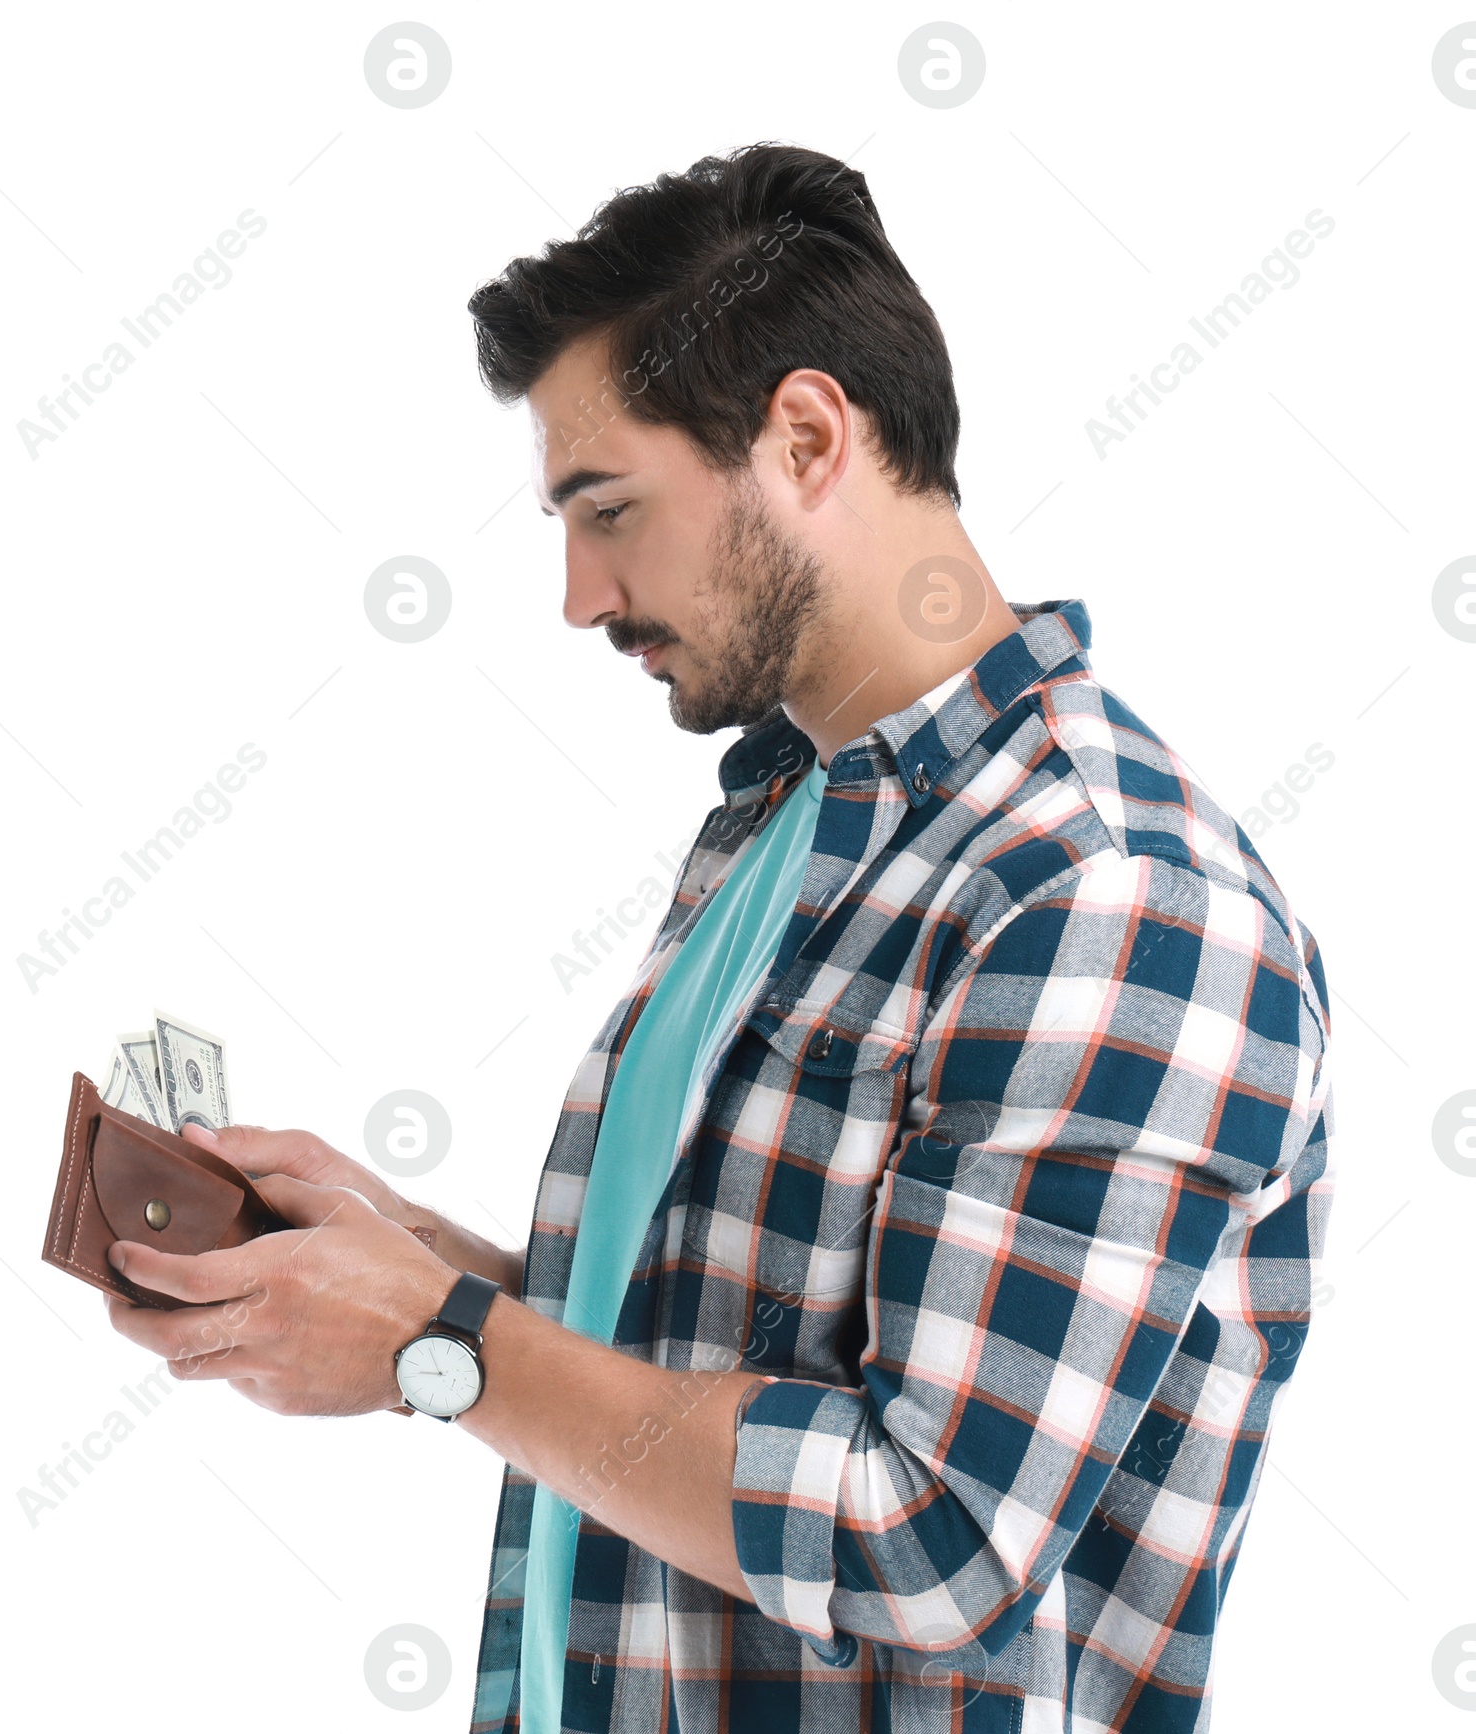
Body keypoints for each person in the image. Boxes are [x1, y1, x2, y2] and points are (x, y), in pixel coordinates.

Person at [104, 143, 1334, 1733]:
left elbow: (931, 1537)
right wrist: (412, 1263)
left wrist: (438, 1343)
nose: (576, 593)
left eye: (608, 507)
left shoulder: (1106, 895)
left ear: (809, 436)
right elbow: (694, 1350)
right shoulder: (788, 825)